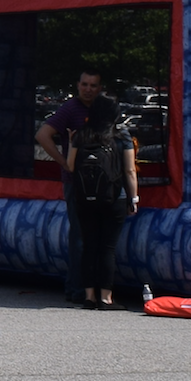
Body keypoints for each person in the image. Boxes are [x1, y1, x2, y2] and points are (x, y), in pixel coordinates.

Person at [61, 96, 139, 309]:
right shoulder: (121, 136)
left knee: (89, 246)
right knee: (107, 248)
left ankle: (89, 297)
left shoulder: (81, 135)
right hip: (114, 197)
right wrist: (134, 198)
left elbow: (70, 166)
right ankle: (105, 298)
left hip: (84, 198)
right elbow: (130, 171)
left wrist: (70, 142)